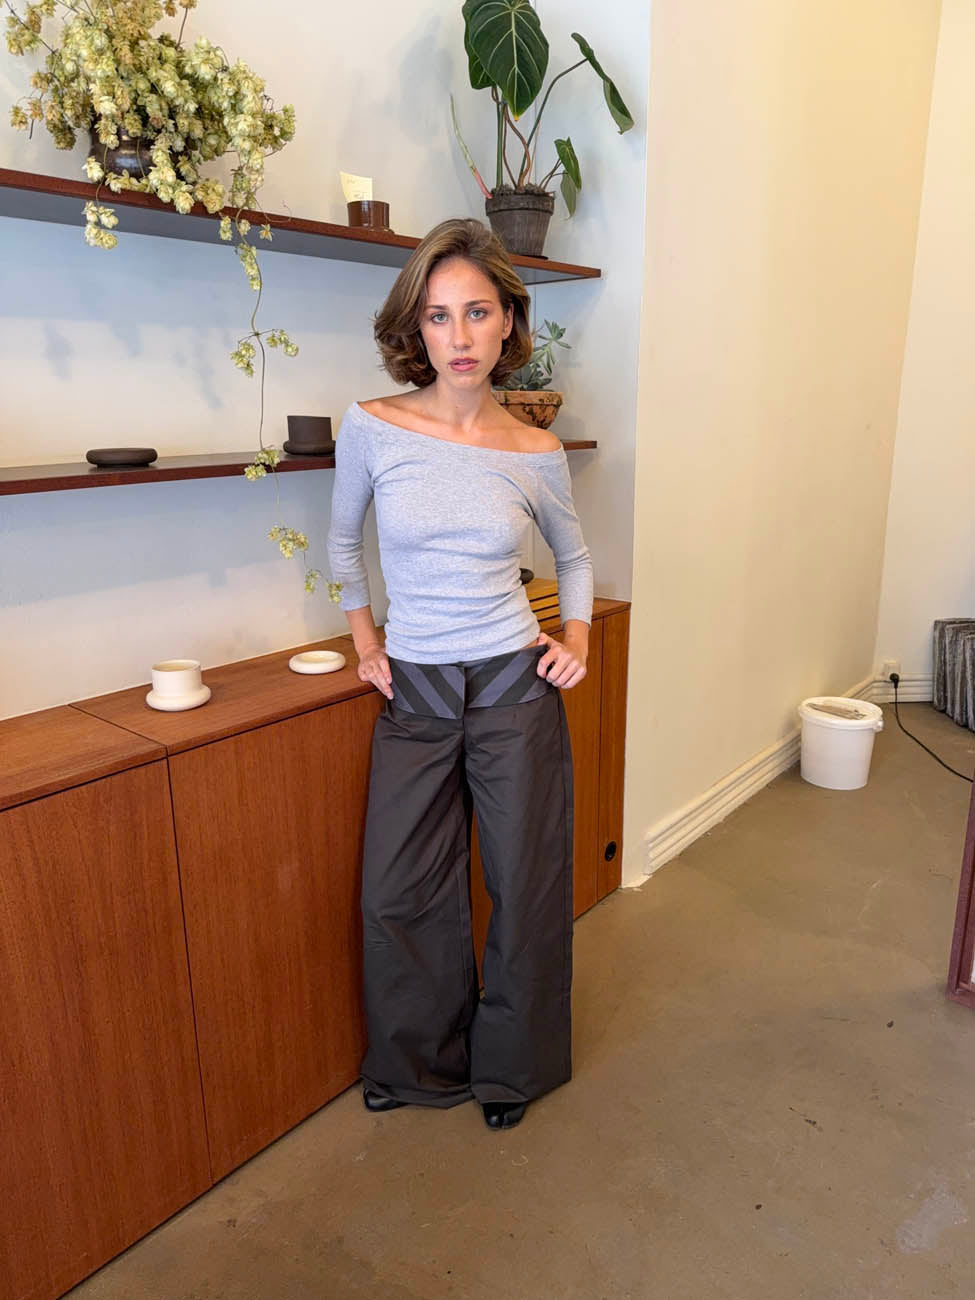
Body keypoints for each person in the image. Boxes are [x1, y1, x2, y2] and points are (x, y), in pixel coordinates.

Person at [326, 217, 593, 1131]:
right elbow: (342, 545)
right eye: (439, 317)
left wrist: (577, 638)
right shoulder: (374, 427)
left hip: (516, 685)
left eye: (478, 312)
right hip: (417, 686)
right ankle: (415, 1065)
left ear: (508, 321)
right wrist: (366, 644)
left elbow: (574, 557)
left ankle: (512, 1071)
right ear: (417, 328)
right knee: (399, 888)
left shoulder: (535, 451)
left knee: (525, 883)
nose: (460, 336)